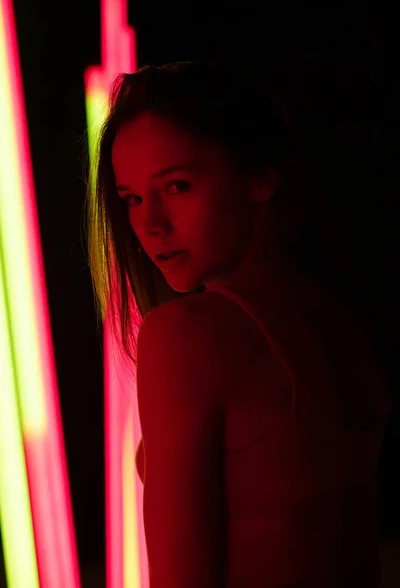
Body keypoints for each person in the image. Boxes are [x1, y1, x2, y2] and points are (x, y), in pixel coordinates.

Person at [84, 60, 392, 587]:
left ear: (260, 180)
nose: (149, 224)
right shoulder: (348, 316)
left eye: (176, 186)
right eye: (132, 199)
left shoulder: (185, 336)